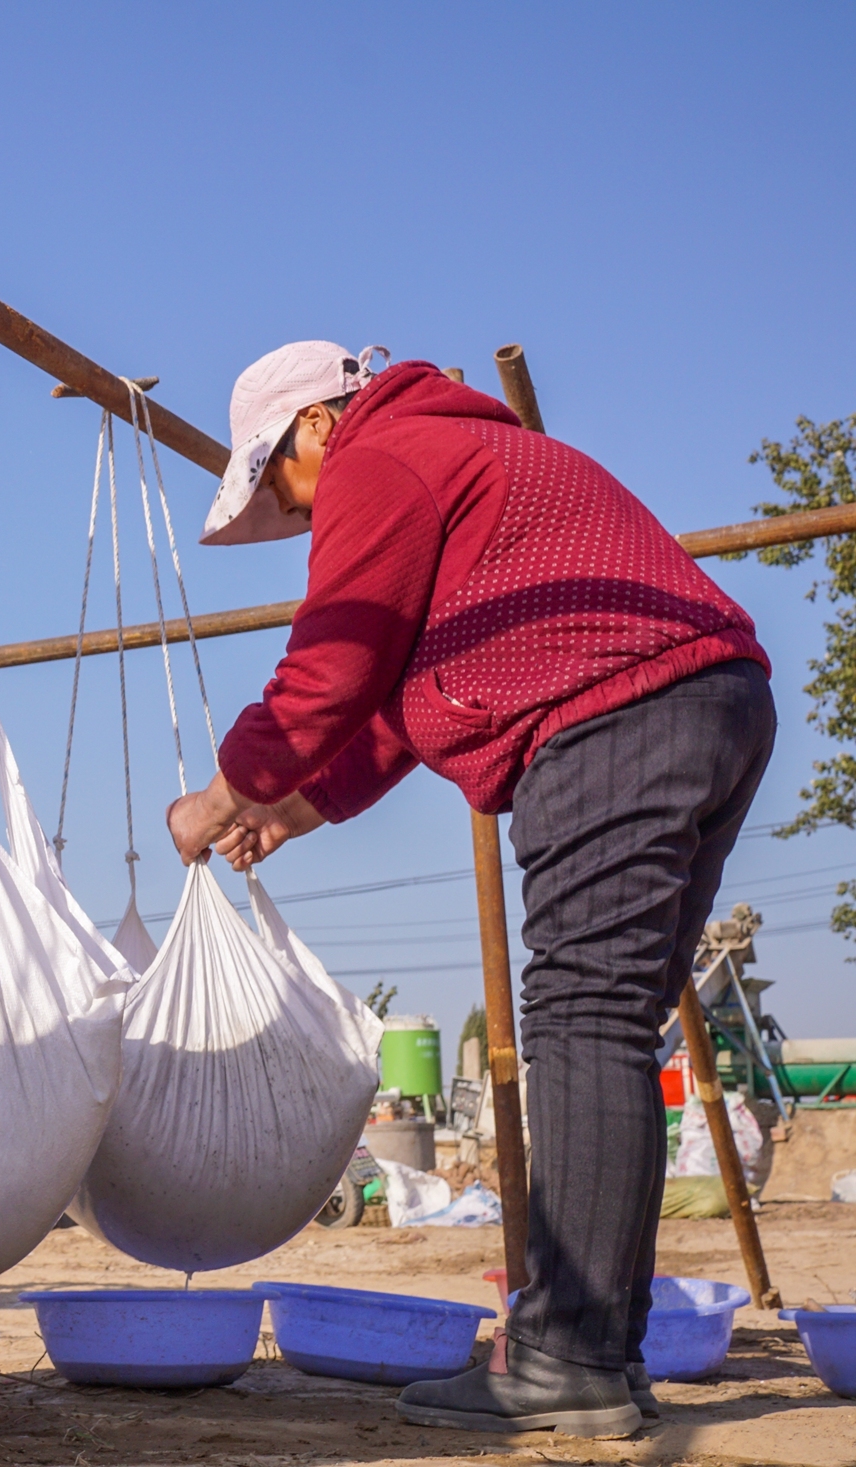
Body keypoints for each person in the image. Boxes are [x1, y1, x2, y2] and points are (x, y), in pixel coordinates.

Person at [168, 343, 773, 1439]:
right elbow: (398, 709)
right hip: (708, 702)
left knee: (583, 1019)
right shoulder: (465, 454)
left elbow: (333, 664)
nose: (300, 517)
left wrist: (219, 795)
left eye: (283, 489)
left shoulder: (380, 455)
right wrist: (287, 809)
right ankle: (597, 1354)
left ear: (312, 426)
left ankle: (567, 1358)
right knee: (610, 1024)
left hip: (611, 712)